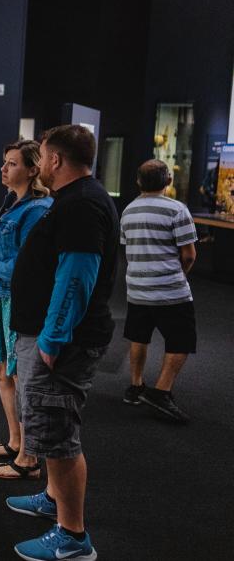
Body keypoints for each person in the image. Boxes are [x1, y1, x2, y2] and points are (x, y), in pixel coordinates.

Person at [4, 125, 118, 561]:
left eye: (44, 156)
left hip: (64, 343)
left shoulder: (83, 205)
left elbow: (76, 279)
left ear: (54, 160)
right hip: (48, 337)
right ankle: (52, 497)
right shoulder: (73, 201)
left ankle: (73, 535)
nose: (40, 165)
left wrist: (52, 339)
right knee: (49, 429)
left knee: (59, 434)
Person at [0, 141, 52, 480]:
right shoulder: (14, 203)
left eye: (12, 164)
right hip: (1, 296)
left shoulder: (37, 209)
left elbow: (29, 265)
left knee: (22, 375)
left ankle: (29, 458)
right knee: (1, 368)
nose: (4, 169)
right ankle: (15, 441)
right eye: (4, 162)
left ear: (33, 169)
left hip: (18, 299)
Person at [120, 159, 197, 423]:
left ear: (138, 182)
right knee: (182, 341)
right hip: (170, 292)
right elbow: (189, 255)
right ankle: (161, 392)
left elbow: (127, 249)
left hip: (137, 289)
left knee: (138, 338)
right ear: (169, 181)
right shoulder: (177, 210)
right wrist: (178, 277)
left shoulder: (128, 211)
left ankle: (136, 386)